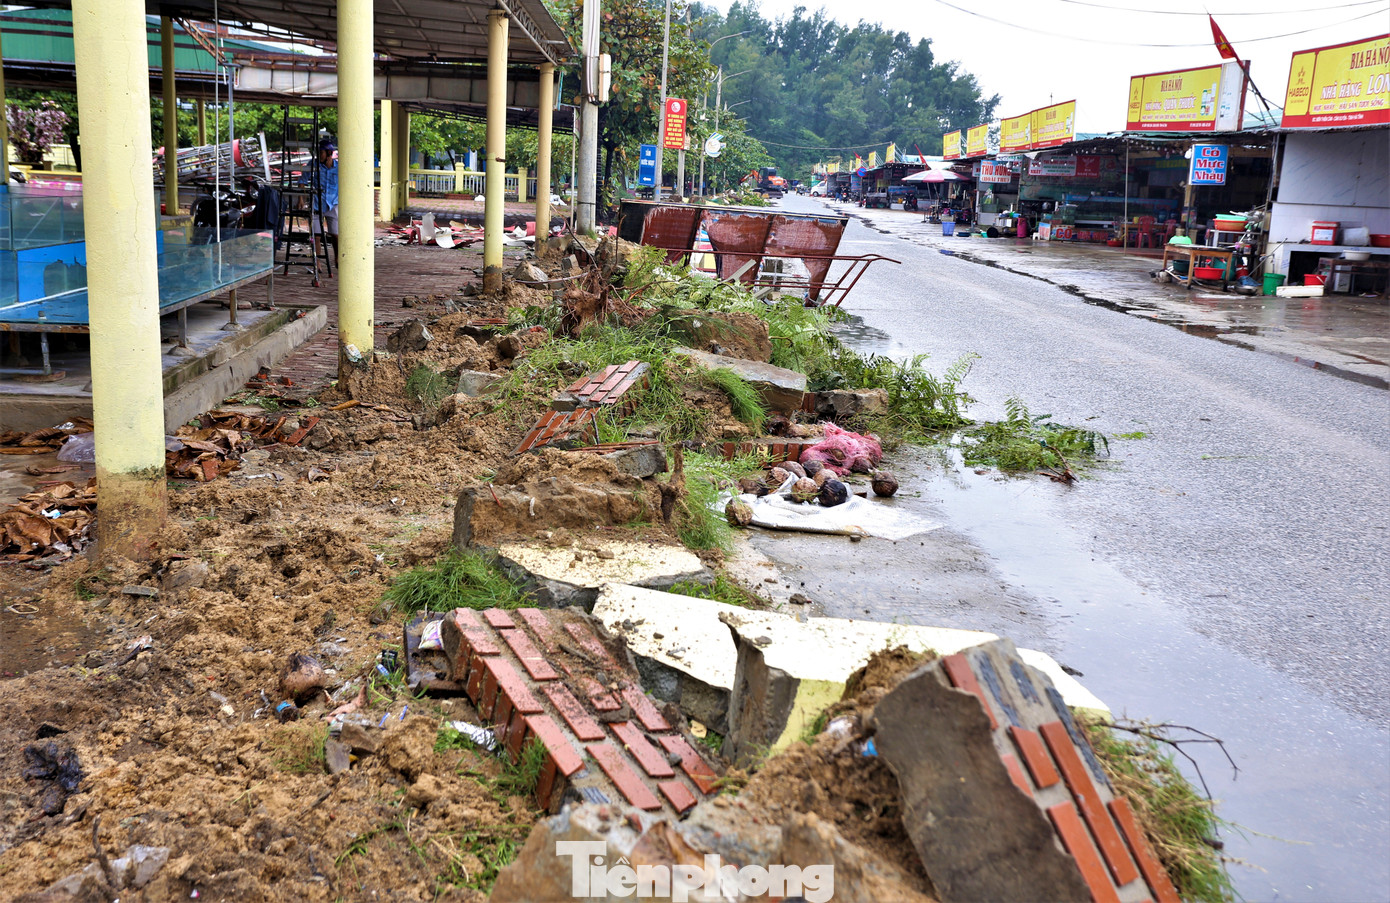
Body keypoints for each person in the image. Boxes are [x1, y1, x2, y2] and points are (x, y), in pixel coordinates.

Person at [306, 138, 339, 262]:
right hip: (316, 203)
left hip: (333, 204)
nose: (319, 155)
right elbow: (302, 182)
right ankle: (317, 262)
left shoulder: (339, 168)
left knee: (335, 234)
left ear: (329, 154)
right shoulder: (312, 165)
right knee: (316, 235)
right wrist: (301, 199)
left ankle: (337, 258)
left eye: (321, 152)